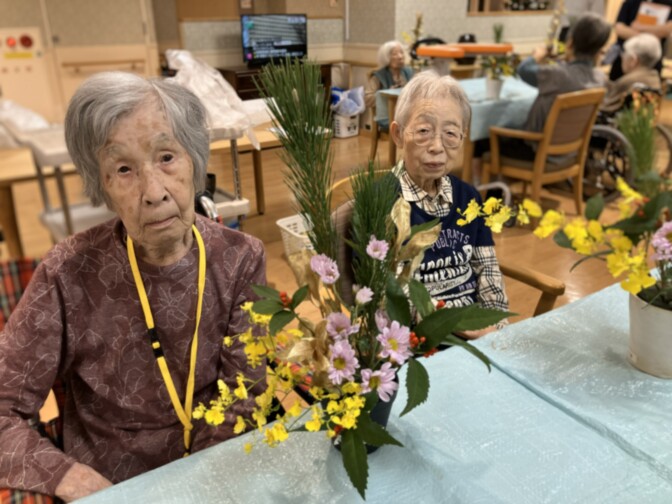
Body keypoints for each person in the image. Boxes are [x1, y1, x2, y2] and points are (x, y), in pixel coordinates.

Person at [0, 72, 266, 501]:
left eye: (167, 157)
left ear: (195, 161)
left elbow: (244, 393)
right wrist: (76, 481)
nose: (153, 192)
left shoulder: (241, 258)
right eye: (123, 169)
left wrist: (200, 487)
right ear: (102, 185)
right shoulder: (67, 273)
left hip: (216, 470)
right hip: (110, 483)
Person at [389, 70, 509, 339]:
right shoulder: (381, 202)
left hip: (480, 332)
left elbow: (487, 270)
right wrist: (461, 328)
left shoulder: (468, 197)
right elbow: (392, 296)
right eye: (423, 131)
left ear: (463, 138)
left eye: (451, 133)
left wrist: (498, 329)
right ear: (398, 134)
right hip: (420, 339)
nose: (437, 146)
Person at [498, 12, 612, 161]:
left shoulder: (559, 75)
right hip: (570, 154)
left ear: (570, 43)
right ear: (600, 50)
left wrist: (536, 56)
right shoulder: (600, 79)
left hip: (535, 151)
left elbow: (524, 70)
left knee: (483, 140)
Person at [609, 0, 672, 81]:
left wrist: (640, 27)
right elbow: (619, 29)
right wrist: (650, 35)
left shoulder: (668, 3)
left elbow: (667, 30)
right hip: (626, 55)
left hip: (653, 59)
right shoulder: (630, 2)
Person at [602, 32, 662, 113]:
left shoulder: (628, 83)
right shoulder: (655, 79)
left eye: (624, 54)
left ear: (633, 60)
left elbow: (604, 109)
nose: (622, 57)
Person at [364, 40, 414, 129]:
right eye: (395, 54)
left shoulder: (408, 72)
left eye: (401, 53)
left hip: (407, 112)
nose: (400, 56)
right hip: (389, 116)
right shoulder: (379, 76)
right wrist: (386, 95)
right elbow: (367, 98)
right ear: (386, 57)